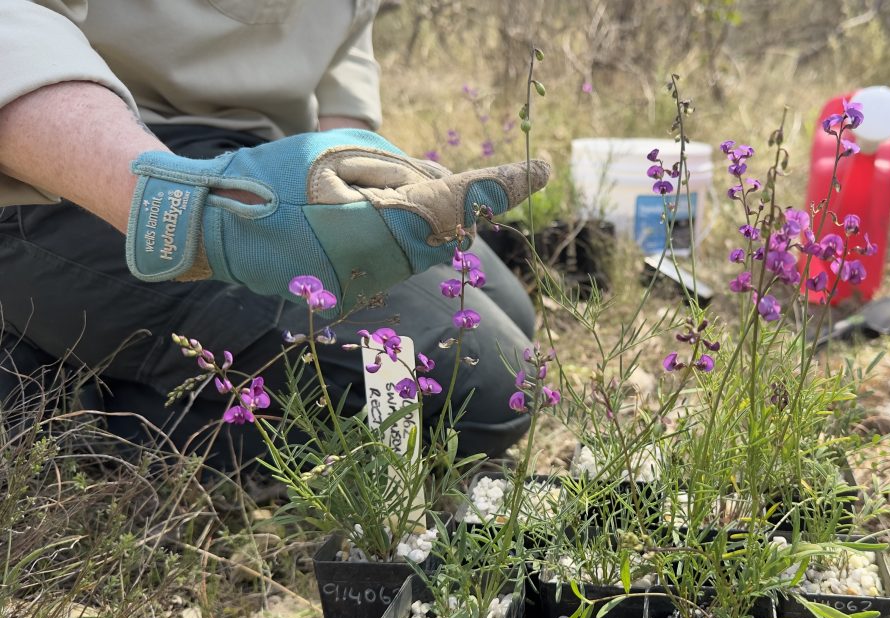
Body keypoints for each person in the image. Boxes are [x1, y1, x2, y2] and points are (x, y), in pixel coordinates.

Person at [0, 1, 550, 470]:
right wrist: (192, 210)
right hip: (72, 163)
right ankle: (78, 419)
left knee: (499, 319)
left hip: (265, 151)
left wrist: (354, 177)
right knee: (486, 392)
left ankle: (101, 361)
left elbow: (344, 41)